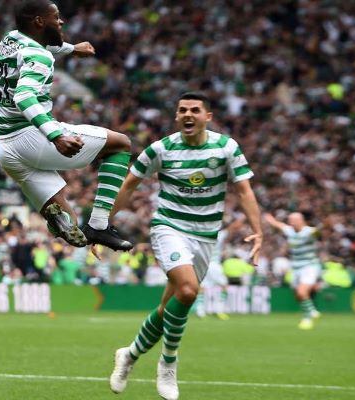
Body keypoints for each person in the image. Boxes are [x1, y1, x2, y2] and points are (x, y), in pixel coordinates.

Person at [108, 92, 263, 400]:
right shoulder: (161, 149)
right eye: (182, 110)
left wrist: (258, 231)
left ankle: (130, 354)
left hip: (206, 236)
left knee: (170, 307)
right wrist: (100, 225)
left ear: (208, 116)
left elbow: (244, 191)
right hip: (169, 228)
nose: (188, 114)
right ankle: (168, 363)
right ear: (176, 116)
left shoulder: (226, 147)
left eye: (195, 109)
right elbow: (129, 185)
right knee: (189, 291)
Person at [0, 0, 133, 251]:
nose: (61, 21)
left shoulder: (10, 39)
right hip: (34, 139)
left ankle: (60, 220)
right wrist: (56, 135)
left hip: (6, 149)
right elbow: (24, 96)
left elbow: (38, 47)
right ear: (39, 21)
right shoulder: (40, 56)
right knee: (121, 144)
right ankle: (100, 225)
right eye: (56, 17)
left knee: (72, 224)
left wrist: (70, 49)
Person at [264, 212, 322, 330]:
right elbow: (279, 225)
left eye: (293, 220)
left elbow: (318, 232)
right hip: (295, 267)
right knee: (298, 296)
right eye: (290, 220)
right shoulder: (289, 230)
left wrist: (325, 226)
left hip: (309, 266)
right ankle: (311, 310)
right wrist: (269, 219)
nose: (291, 222)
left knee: (302, 292)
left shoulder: (309, 232)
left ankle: (307, 318)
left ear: (301, 221)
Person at [194, 216, 246, 320]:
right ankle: (219, 309)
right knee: (224, 286)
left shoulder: (199, 236)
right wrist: (242, 217)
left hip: (204, 265)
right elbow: (232, 227)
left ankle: (200, 310)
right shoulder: (218, 235)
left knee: (202, 287)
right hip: (214, 264)